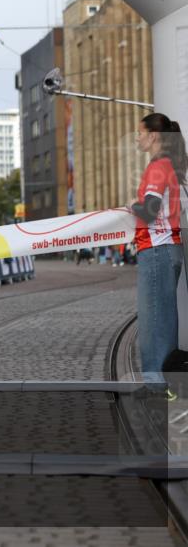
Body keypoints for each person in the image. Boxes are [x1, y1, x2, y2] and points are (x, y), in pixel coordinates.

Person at [130, 112, 185, 400]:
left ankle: (155, 383)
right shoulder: (169, 166)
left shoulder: (157, 167)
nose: (137, 137)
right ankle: (165, 381)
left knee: (153, 319)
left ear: (153, 136)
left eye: (140, 132)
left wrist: (131, 207)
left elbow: (150, 210)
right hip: (169, 248)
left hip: (156, 248)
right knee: (164, 318)